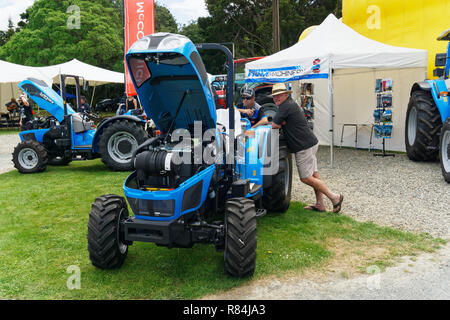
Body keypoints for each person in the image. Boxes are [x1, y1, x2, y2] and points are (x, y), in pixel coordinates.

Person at [270, 83, 344, 214]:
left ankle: (334, 197)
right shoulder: (289, 104)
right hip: (310, 143)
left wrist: (278, 123)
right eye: (274, 96)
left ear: (287, 94)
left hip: (304, 146)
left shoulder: (285, 106)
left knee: (305, 178)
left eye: (279, 95)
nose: (276, 98)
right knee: (314, 175)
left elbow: (274, 125)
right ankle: (320, 204)